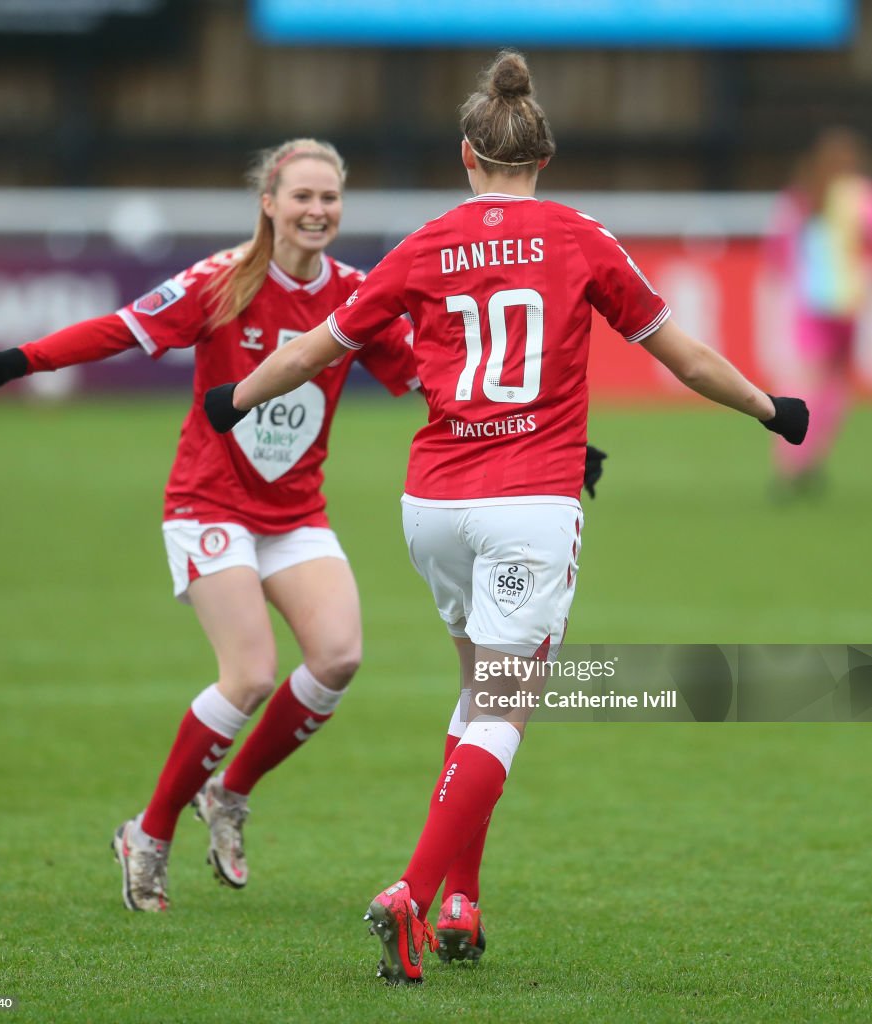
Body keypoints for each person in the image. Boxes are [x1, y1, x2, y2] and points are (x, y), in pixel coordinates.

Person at [202, 52, 809, 985]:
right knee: (505, 703)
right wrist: (771, 409)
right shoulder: (581, 237)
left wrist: (231, 400)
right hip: (527, 500)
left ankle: (462, 900)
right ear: (545, 156)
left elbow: (319, 347)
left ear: (466, 156)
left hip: (434, 502)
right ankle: (411, 892)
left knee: (473, 693)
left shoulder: (429, 241)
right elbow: (681, 357)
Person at [0, 138, 425, 913]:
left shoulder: (356, 294)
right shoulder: (220, 281)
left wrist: (542, 440)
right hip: (208, 503)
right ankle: (150, 831)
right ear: (267, 202)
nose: (316, 211)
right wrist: (20, 360)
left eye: (329, 198)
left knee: (338, 657)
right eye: (301, 196)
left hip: (295, 509)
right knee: (249, 674)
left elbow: (424, 378)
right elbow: (122, 328)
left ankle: (228, 794)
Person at [765, 126, 872, 494]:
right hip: (842, 305)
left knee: (807, 385)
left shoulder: (799, 199)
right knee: (832, 388)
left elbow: (777, 252)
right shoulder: (858, 198)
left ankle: (794, 460)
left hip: (812, 305)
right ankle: (804, 461)